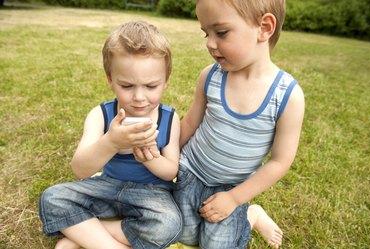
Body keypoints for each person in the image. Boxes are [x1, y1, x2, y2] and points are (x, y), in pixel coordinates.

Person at [38, 21, 182, 249]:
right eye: (126, 86)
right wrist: (112, 141)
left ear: (165, 81)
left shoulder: (169, 118)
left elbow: (171, 172)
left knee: (170, 224)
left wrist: (150, 158)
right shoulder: (100, 115)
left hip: (151, 194)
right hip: (107, 187)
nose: (139, 97)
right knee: (52, 198)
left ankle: (85, 234)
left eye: (151, 86)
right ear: (110, 79)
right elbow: (80, 170)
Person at [173, 0, 305, 249]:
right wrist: (167, 158)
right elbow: (190, 122)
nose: (210, 43)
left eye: (221, 32)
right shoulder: (210, 76)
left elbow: (280, 162)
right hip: (190, 171)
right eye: (206, 33)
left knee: (218, 244)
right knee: (181, 233)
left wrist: (234, 198)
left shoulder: (287, 96)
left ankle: (251, 215)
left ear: (264, 27)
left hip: (233, 187)